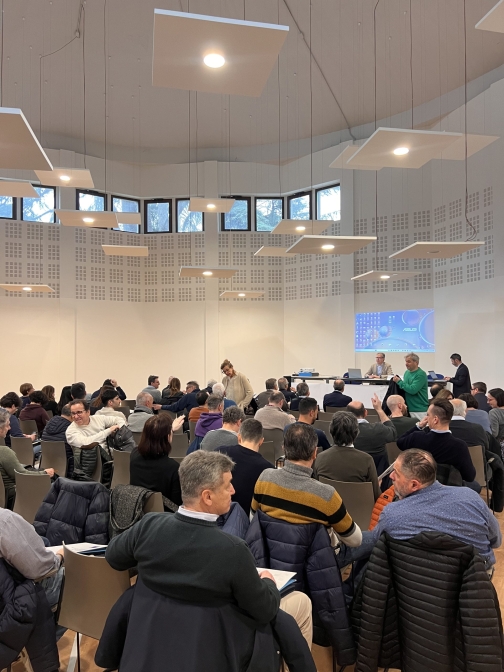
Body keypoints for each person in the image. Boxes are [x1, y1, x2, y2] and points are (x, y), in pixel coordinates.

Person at [106, 450, 313, 651]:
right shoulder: (233, 550)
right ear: (207, 496)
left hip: (153, 637)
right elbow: (264, 609)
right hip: (216, 641)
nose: (233, 490)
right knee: (302, 602)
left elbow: (113, 557)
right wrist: (269, 582)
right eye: (227, 485)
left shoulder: (148, 526)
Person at [367, 449, 501, 570]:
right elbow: (496, 541)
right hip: (476, 579)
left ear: (414, 485)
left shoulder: (392, 514)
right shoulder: (472, 498)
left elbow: (374, 543)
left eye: (396, 473)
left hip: (416, 581)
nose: (391, 476)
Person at [252, 423, 362, 547]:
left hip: (271, 552)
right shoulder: (326, 495)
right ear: (315, 453)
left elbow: (253, 519)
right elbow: (355, 541)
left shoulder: (264, 478)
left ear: (283, 449)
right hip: (317, 557)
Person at [396, 398, 476, 484]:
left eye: (428, 415)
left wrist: (419, 426)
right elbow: (469, 476)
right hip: (448, 488)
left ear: (435, 419)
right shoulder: (459, 446)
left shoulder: (417, 437)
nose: (426, 418)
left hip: (420, 485)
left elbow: (400, 442)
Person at [0, 507, 65, 608]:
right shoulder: (5, 521)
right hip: (16, 602)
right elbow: (38, 570)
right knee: (80, 574)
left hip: (6, 597)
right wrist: (60, 556)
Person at [313, 411, 380, 500]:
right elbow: (376, 495)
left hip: (328, 506)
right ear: (356, 433)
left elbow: (316, 489)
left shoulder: (320, 458)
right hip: (359, 507)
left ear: (331, 431)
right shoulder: (366, 460)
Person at [0, 409, 54, 509]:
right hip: (13, 496)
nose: (10, 428)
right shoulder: (4, 452)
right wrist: (45, 473)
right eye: (7, 425)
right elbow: (22, 475)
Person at [217, 419, 273, 515]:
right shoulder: (268, 469)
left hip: (218, 514)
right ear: (261, 441)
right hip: (248, 519)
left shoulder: (220, 452)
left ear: (239, 437)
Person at [130, 413, 185, 509]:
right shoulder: (173, 467)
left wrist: (170, 430)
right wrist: (169, 431)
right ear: (168, 437)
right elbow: (176, 504)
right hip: (164, 515)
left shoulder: (134, 454)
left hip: (137, 510)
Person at [65, 399, 126, 478]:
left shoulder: (98, 419)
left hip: (110, 460)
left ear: (88, 412)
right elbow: (87, 443)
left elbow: (119, 419)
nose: (76, 416)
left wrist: (119, 428)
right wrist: (108, 431)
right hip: (90, 468)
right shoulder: (70, 431)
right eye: (73, 413)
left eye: (79, 412)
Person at [347, 395, 397, 473]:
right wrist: (379, 409)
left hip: (352, 474)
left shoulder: (342, 432)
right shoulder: (378, 429)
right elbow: (393, 433)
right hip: (378, 475)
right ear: (365, 413)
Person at [42, 403, 74, 477]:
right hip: (68, 468)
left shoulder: (48, 424)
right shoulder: (71, 429)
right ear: (72, 415)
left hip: (47, 464)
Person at [392, 352, 428, 419]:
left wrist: (399, 382)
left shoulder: (421, 374)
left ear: (416, 362)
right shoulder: (407, 373)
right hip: (408, 408)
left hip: (419, 409)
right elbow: (405, 387)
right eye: (406, 361)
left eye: (409, 362)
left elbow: (413, 390)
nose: (406, 364)